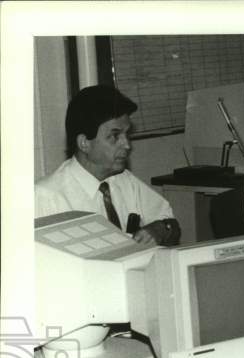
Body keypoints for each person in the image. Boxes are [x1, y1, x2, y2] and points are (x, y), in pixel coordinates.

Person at [35, 85, 180, 246]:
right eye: (114, 136)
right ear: (84, 143)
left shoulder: (124, 180)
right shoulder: (46, 197)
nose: (127, 145)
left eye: (127, 134)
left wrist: (160, 229)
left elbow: (171, 224)